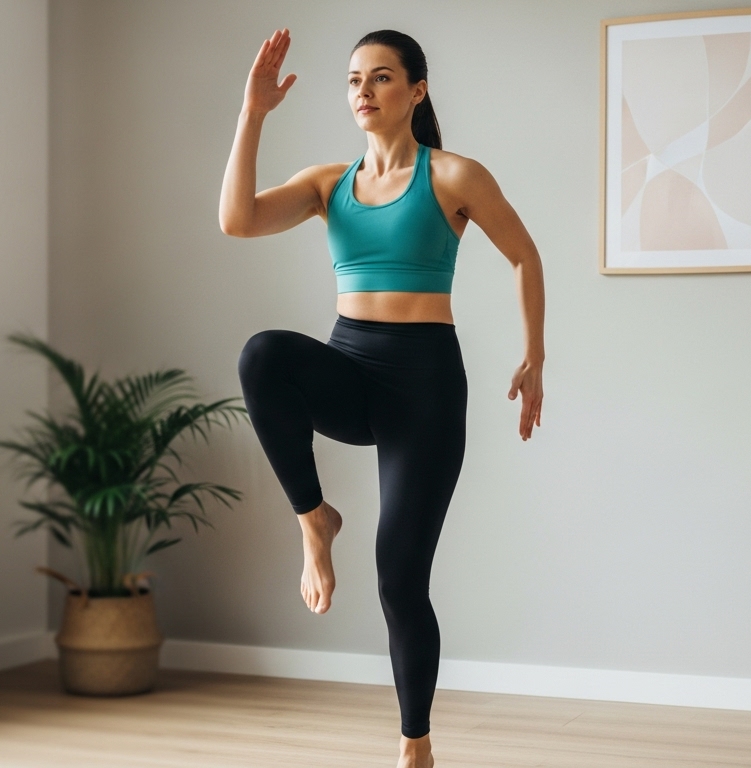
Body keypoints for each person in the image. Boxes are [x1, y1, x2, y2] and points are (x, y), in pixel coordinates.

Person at [219, 27, 545, 768]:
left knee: (400, 578)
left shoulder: (454, 176)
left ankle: (414, 745)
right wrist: (253, 113)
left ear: (417, 90)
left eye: (382, 77)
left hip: (425, 389)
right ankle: (314, 519)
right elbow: (235, 221)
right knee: (263, 355)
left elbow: (524, 255)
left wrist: (535, 356)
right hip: (352, 370)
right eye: (353, 80)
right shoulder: (327, 183)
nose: (363, 90)